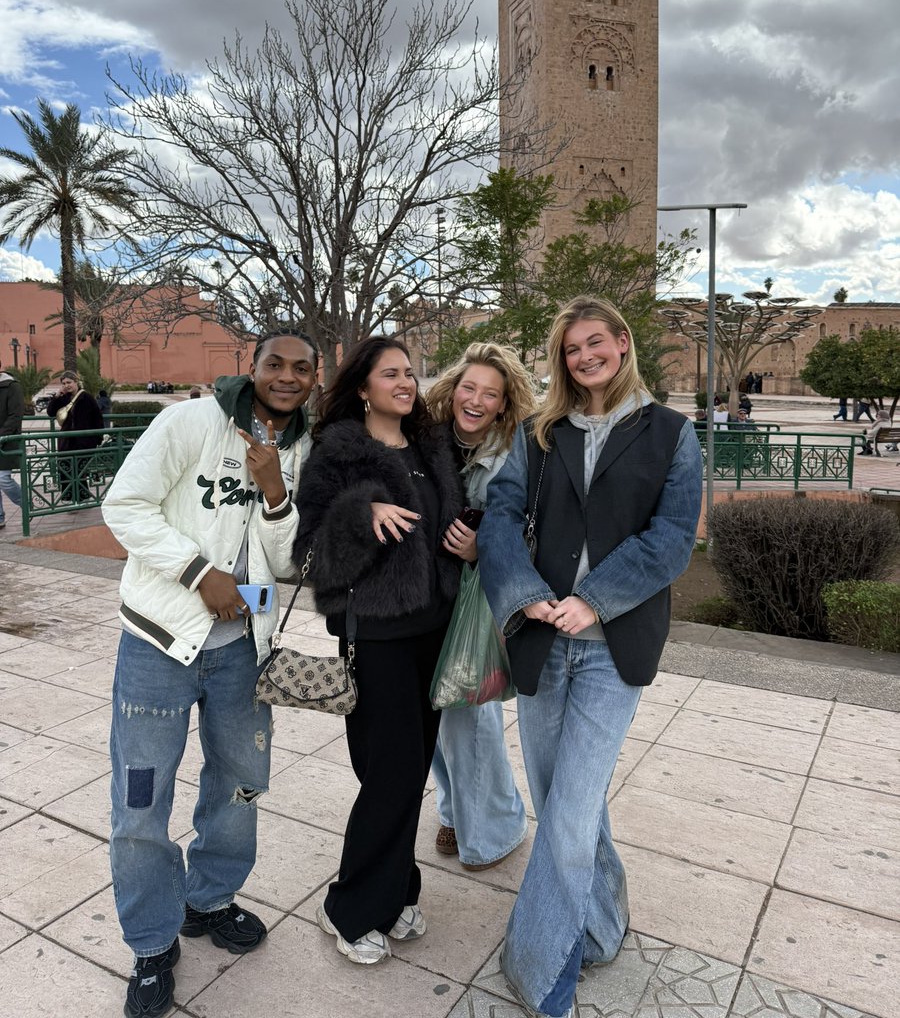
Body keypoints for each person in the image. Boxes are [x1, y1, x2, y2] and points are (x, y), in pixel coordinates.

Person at [478, 296, 702, 1018]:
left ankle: (543, 972)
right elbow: (502, 517)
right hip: (543, 639)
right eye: (571, 348)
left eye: (595, 342)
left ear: (622, 342)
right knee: (561, 802)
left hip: (611, 648)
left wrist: (595, 599)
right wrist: (525, 592)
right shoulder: (540, 434)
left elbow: (671, 539)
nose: (584, 357)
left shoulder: (672, 434)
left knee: (570, 812)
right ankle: (604, 925)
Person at [101, 330, 318, 1018]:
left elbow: (285, 567)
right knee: (141, 803)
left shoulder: (304, 448)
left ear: (316, 376)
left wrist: (278, 492)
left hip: (242, 648)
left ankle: (211, 897)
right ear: (250, 368)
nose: (287, 376)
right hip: (159, 643)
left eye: (301, 368)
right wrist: (199, 571)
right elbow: (123, 507)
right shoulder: (186, 422)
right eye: (274, 364)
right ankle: (151, 941)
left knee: (244, 784)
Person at [293, 336, 466, 966]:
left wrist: (466, 543)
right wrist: (360, 515)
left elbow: (450, 528)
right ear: (362, 387)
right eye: (390, 374)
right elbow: (307, 546)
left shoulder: (431, 447)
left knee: (412, 771)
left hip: (435, 629)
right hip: (375, 632)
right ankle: (349, 906)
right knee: (390, 772)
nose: (406, 382)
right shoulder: (339, 452)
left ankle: (396, 892)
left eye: (410, 373)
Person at [426, 342, 534, 871]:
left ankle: (494, 827)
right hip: (424, 595)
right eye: (469, 387)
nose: (476, 399)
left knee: (471, 710)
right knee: (434, 713)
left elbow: (528, 525)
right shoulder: (426, 438)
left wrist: (481, 548)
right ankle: (454, 808)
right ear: (453, 389)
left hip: (474, 596)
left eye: (490, 394)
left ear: (503, 404)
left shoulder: (516, 450)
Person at [45, 372, 103, 502]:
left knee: (78, 470)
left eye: (69, 382)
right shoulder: (64, 398)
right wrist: (56, 397)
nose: (66, 385)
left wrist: (97, 438)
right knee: (65, 468)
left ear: (76, 382)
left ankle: (81, 497)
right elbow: (50, 413)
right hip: (66, 441)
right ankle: (69, 497)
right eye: (64, 383)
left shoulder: (86, 398)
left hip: (84, 441)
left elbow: (97, 419)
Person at [0, 370, 25, 530]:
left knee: (4, 479)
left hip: (6, 441)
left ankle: (28, 506)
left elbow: (16, 415)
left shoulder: (12, 386)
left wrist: (2, 434)